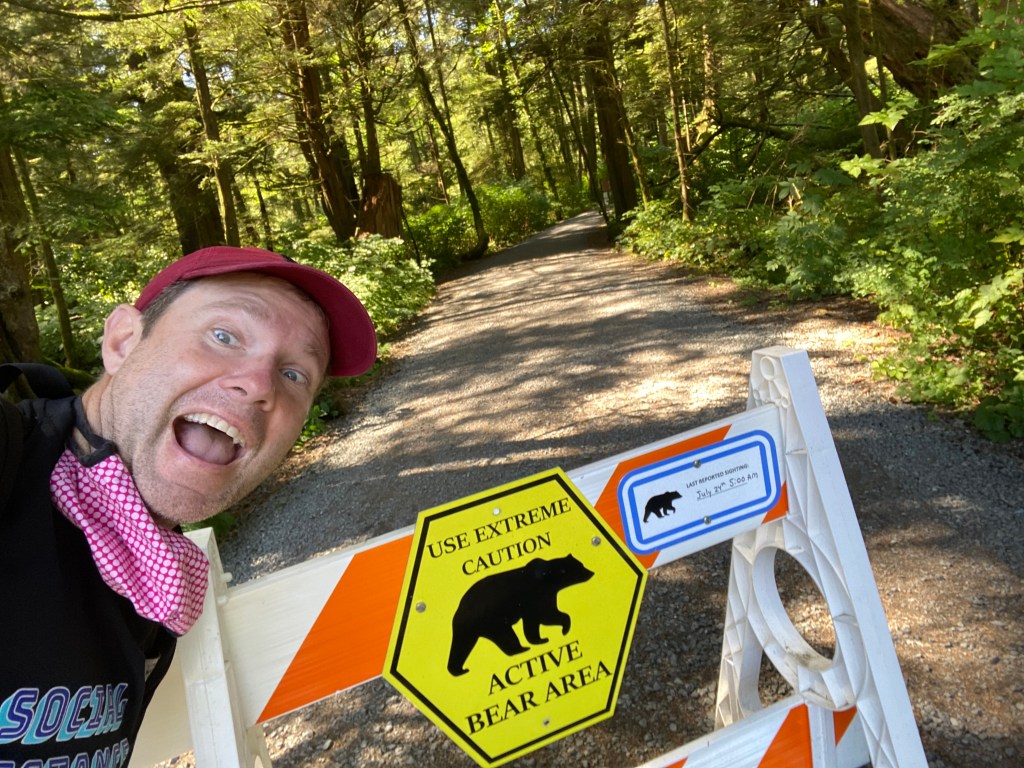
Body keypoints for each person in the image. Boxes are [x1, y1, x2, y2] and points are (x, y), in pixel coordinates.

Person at [0, 246, 377, 767]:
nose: (259, 385)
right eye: (224, 336)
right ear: (123, 342)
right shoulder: (11, 457)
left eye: (295, 375)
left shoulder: (156, 575)